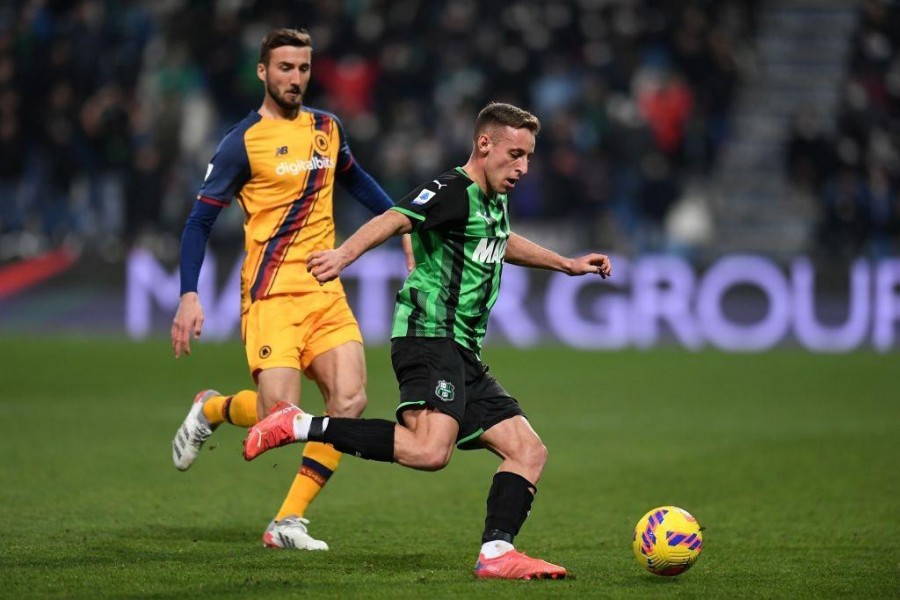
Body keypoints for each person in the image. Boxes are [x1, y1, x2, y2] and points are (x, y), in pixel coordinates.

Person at [243, 102, 612, 578]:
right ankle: (298, 425)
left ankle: (497, 554)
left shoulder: (493, 197)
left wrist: (565, 263)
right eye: (516, 154)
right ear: (485, 144)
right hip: (427, 334)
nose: (523, 167)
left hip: (462, 349)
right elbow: (396, 218)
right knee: (428, 451)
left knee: (527, 450)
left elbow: (500, 240)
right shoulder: (451, 189)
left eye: (528, 157)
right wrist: (344, 255)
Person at [170, 28, 412, 550]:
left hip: (324, 293)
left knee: (348, 401)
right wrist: (189, 293)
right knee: (277, 418)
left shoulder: (328, 128)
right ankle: (211, 409)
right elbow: (198, 223)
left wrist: (403, 221)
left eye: (303, 69)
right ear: (263, 72)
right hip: (271, 297)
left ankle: (287, 521)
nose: (295, 78)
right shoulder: (242, 143)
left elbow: (357, 180)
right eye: (284, 68)